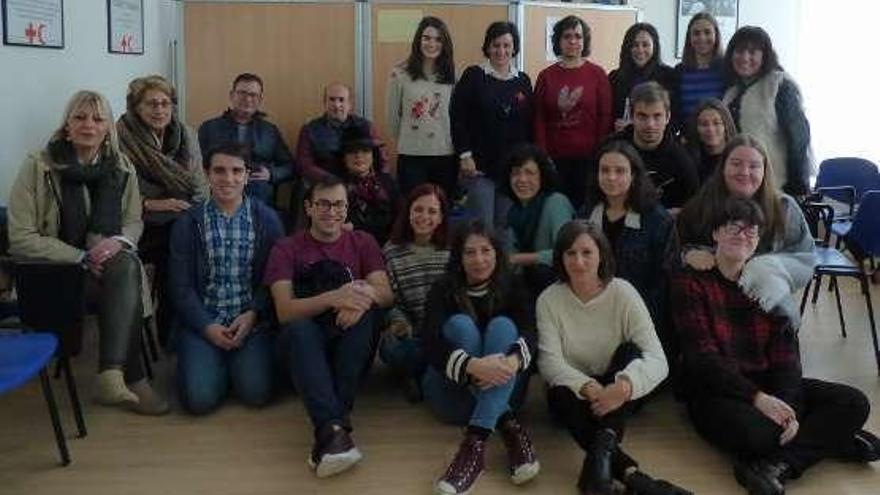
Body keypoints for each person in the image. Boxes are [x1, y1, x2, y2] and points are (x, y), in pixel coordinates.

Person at [672, 198, 880, 495]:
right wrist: (758, 399)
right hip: (714, 391)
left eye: (751, 231)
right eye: (734, 227)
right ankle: (832, 439)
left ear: (757, 242)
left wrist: (788, 409)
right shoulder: (691, 282)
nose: (743, 235)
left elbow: (787, 358)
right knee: (758, 435)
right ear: (715, 233)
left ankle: (774, 465)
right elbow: (702, 359)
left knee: (855, 402)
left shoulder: (766, 280)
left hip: (766, 383)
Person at [8, 90, 168, 415]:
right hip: (53, 275)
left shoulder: (122, 167)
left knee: (124, 267)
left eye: (97, 119)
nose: (88, 125)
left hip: (106, 271)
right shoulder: (38, 167)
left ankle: (112, 374)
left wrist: (119, 242)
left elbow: (134, 221)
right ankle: (131, 378)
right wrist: (80, 257)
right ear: (66, 125)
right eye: (79, 117)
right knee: (125, 280)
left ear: (108, 127)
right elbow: (20, 237)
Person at [537, 221, 685, 495]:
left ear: (601, 255)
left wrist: (624, 387)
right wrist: (585, 385)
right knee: (558, 390)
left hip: (619, 393)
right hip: (575, 396)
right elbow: (549, 362)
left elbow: (658, 359)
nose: (579, 262)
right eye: (570, 253)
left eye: (587, 252)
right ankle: (632, 475)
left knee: (630, 352)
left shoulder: (623, 292)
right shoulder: (549, 299)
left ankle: (601, 466)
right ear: (560, 257)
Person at [265, 176, 393, 478]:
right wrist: (336, 297)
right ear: (308, 207)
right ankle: (336, 425)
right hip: (302, 348)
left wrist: (359, 297)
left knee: (368, 315)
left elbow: (386, 294)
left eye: (338, 204)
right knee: (299, 328)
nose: (331, 211)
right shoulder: (286, 248)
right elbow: (284, 311)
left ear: (347, 209)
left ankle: (330, 431)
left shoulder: (363, 242)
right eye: (322, 204)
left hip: (348, 344)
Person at [422, 219, 539, 495]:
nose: (479, 259)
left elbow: (532, 334)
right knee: (461, 325)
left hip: (503, 389)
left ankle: (474, 445)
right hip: (452, 397)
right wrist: (473, 365)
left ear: (497, 253)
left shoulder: (513, 286)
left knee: (504, 327)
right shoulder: (443, 289)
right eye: (470, 252)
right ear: (458, 257)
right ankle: (507, 425)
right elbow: (429, 342)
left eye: (486, 250)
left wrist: (511, 362)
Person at [169, 143, 284, 415]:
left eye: (236, 171)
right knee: (199, 401)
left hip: (250, 321)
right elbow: (180, 287)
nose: (228, 179)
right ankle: (210, 363)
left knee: (257, 394)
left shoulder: (267, 220)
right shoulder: (188, 222)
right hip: (203, 321)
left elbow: (276, 278)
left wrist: (254, 313)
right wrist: (207, 327)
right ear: (207, 174)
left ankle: (229, 363)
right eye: (219, 170)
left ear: (247, 175)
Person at [677, 134, 814, 328]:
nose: (744, 172)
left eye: (754, 166)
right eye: (736, 163)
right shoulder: (700, 205)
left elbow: (804, 258)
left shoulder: (784, 207)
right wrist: (688, 254)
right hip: (710, 296)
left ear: (765, 170)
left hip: (764, 294)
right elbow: (674, 247)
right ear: (723, 167)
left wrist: (764, 268)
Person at [117, 74, 208, 347]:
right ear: (136, 108)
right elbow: (111, 195)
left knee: (192, 236)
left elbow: (199, 184)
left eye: (165, 103)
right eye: (151, 104)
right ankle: (172, 329)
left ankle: (194, 319)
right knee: (178, 243)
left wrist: (199, 212)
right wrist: (151, 203)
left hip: (181, 214)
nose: (159, 110)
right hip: (136, 221)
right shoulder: (119, 138)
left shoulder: (186, 135)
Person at [582, 140, 679, 364]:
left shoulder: (658, 220)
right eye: (604, 170)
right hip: (592, 316)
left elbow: (663, 285)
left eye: (620, 171)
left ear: (634, 175)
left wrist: (627, 321)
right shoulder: (585, 214)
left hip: (641, 323)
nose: (611, 177)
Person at [451, 21, 533, 230]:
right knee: (482, 227)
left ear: (514, 48)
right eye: (496, 45)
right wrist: (464, 155)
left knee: (506, 228)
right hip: (479, 169)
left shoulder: (522, 80)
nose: (501, 51)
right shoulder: (474, 76)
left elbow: (527, 124)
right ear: (487, 47)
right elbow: (457, 118)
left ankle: (505, 265)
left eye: (507, 45)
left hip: (511, 170)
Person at [533, 15, 612, 209]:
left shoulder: (598, 74)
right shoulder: (546, 76)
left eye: (578, 36)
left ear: (584, 41)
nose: (573, 41)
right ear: (558, 41)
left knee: (585, 212)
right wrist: (543, 157)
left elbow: (606, 117)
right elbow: (538, 119)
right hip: (554, 161)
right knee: (556, 210)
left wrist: (599, 153)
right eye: (567, 36)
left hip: (589, 160)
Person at [381, 183, 451, 401]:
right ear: (408, 212)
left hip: (444, 330)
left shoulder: (453, 250)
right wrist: (400, 323)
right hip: (412, 334)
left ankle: (421, 374)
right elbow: (391, 301)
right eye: (418, 209)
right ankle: (421, 372)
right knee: (393, 349)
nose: (424, 217)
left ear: (441, 218)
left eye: (432, 211)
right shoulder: (391, 251)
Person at [723, 26, 812, 197]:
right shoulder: (731, 93)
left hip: (776, 187)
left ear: (764, 56)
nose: (745, 58)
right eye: (739, 51)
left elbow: (799, 139)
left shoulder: (779, 85)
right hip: (739, 185)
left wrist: (797, 187)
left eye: (752, 52)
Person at [386, 16, 458, 199]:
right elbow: (392, 118)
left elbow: (456, 117)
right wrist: (411, 139)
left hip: (445, 155)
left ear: (445, 43)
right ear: (418, 40)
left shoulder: (452, 76)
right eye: (426, 38)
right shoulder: (400, 74)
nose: (431, 44)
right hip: (412, 154)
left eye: (438, 39)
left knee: (441, 209)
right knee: (413, 209)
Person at [198, 72, 296, 204]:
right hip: (222, 188)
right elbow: (198, 166)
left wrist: (271, 174)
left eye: (253, 95)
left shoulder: (270, 131)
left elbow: (289, 166)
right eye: (242, 93)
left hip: (259, 193)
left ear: (260, 99)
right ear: (232, 95)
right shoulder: (209, 128)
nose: (248, 99)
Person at [615, 81, 698, 212]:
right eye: (642, 116)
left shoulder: (682, 161)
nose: (650, 124)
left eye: (657, 116)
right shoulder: (612, 151)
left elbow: (693, 208)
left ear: (668, 117)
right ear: (631, 116)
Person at [503, 143, 574, 295]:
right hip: (525, 287)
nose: (522, 179)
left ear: (542, 176)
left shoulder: (556, 202)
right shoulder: (513, 212)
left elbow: (566, 252)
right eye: (516, 173)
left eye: (530, 173)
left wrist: (519, 259)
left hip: (559, 286)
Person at [296, 82, 387, 183]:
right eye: (332, 99)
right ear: (324, 103)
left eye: (341, 100)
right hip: (324, 185)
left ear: (349, 104)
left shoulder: (366, 126)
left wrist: (380, 183)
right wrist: (329, 180)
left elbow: (381, 160)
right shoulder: (310, 130)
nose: (336, 105)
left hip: (361, 186)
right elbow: (304, 165)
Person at [337, 126, 399, 246]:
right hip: (350, 246)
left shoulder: (387, 182)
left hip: (388, 246)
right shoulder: (335, 188)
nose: (358, 156)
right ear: (343, 157)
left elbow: (400, 217)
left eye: (365, 150)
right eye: (352, 151)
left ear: (373, 155)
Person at [609, 23, 676, 133]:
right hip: (623, 143)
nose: (640, 50)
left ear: (654, 47)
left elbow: (674, 118)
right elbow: (610, 116)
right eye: (635, 45)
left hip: (658, 143)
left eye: (645, 45)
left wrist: (635, 126)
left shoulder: (669, 76)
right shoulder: (615, 78)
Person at [674, 12, 726, 129]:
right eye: (696, 33)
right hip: (689, 140)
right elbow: (676, 111)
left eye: (707, 32)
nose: (702, 37)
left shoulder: (727, 69)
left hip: (720, 139)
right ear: (690, 38)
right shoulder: (679, 71)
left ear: (716, 35)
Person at [684, 98, 737, 183]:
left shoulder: (739, 157)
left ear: (726, 126)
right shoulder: (687, 159)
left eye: (716, 123)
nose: (710, 129)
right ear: (696, 128)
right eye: (704, 124)